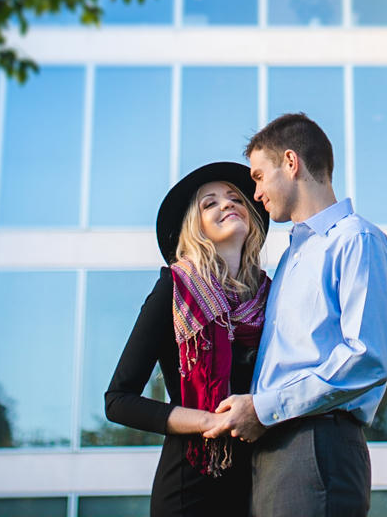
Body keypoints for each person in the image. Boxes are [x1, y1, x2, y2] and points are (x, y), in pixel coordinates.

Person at [207, 112, 387, 517]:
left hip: (316, 444)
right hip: (276, 446)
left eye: (258, 176)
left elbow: (366, 357)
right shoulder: (292, 257)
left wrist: (264, 407)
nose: (255, 193)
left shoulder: (354, 240)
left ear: (291, 163)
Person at [106, 161, 271, 517]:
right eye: (209, 203)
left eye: (234, 198)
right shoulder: (175, 290)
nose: (227, 204)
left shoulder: (272, 296)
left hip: (257, 483)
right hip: (189, 489)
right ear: (195, 228)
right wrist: (211, 422)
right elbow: (118, 400)